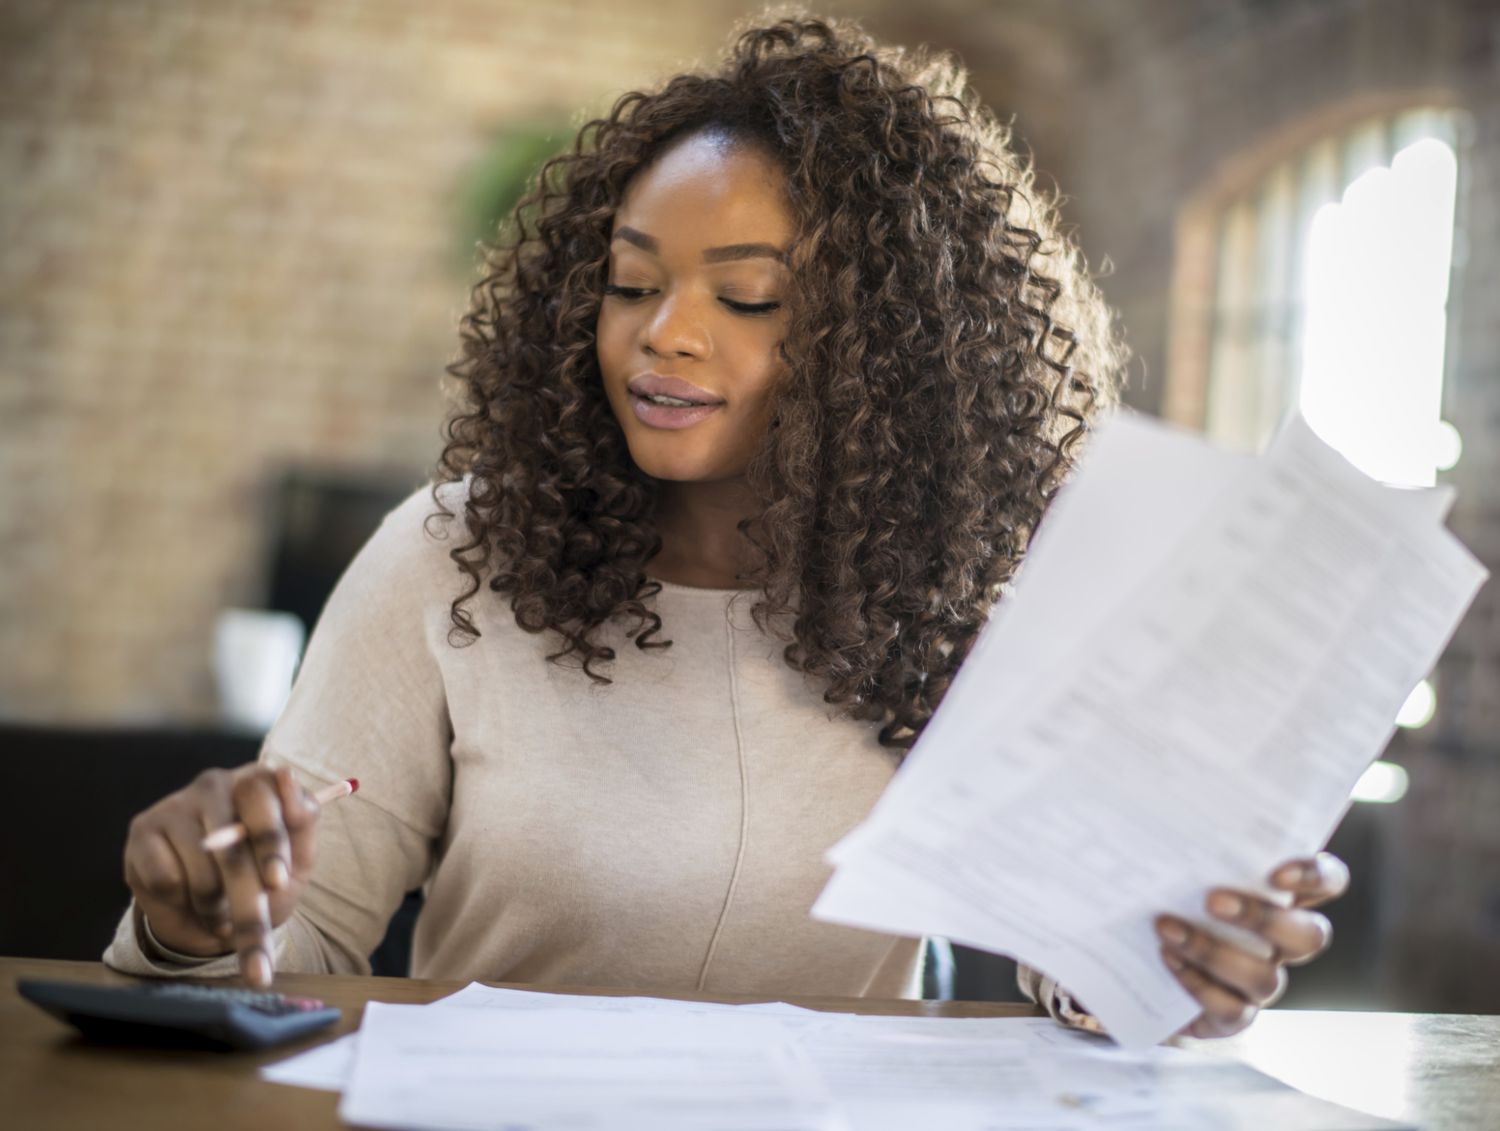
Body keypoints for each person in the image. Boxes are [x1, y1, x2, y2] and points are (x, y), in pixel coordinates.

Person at [104, 14, 1347, 1041]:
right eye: (633, 283)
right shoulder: (452, 562)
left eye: (745, 298)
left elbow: (1077, 960)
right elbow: (287, 943)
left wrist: (1177, 965)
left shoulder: (967, 610)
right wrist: (194, 922)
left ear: (893, 353)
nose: (664, 333)